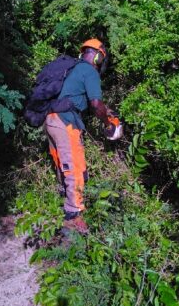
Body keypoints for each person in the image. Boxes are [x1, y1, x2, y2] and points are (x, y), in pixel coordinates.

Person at [43, 38, 121, 235]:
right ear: (96, 56)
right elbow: (95, 104)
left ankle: (66, 200)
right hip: (66, 121)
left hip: (50, 119)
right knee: (75, 167)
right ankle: (74, 216)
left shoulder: (73, 70)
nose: (100, 63)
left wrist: (109, 113)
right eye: (101, 59)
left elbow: (84, 100)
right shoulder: (89, 71)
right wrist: (107, 123)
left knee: (62, 163)